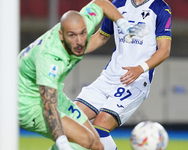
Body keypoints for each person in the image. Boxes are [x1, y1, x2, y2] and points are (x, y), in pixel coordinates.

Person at [18, 0, 144, 150]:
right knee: (84, 141)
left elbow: (101, 3)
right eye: (72, 36)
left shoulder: (81, 24)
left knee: (97, 144)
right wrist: (62, 142)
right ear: (61, 35)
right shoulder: (51, 58)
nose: (79, 42)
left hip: (52, 93)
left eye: (83, 34)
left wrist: (123, 24)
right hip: (27, 103)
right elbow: (49, 108)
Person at [74, 0, 172, 149]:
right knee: (70, 121)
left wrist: (140, 68)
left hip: (135, 81)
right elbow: (101, 36)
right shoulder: (117, 4)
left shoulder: (160, 8)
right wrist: (73, 50)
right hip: (108, 78)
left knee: (99, 129)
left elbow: (164, 50)